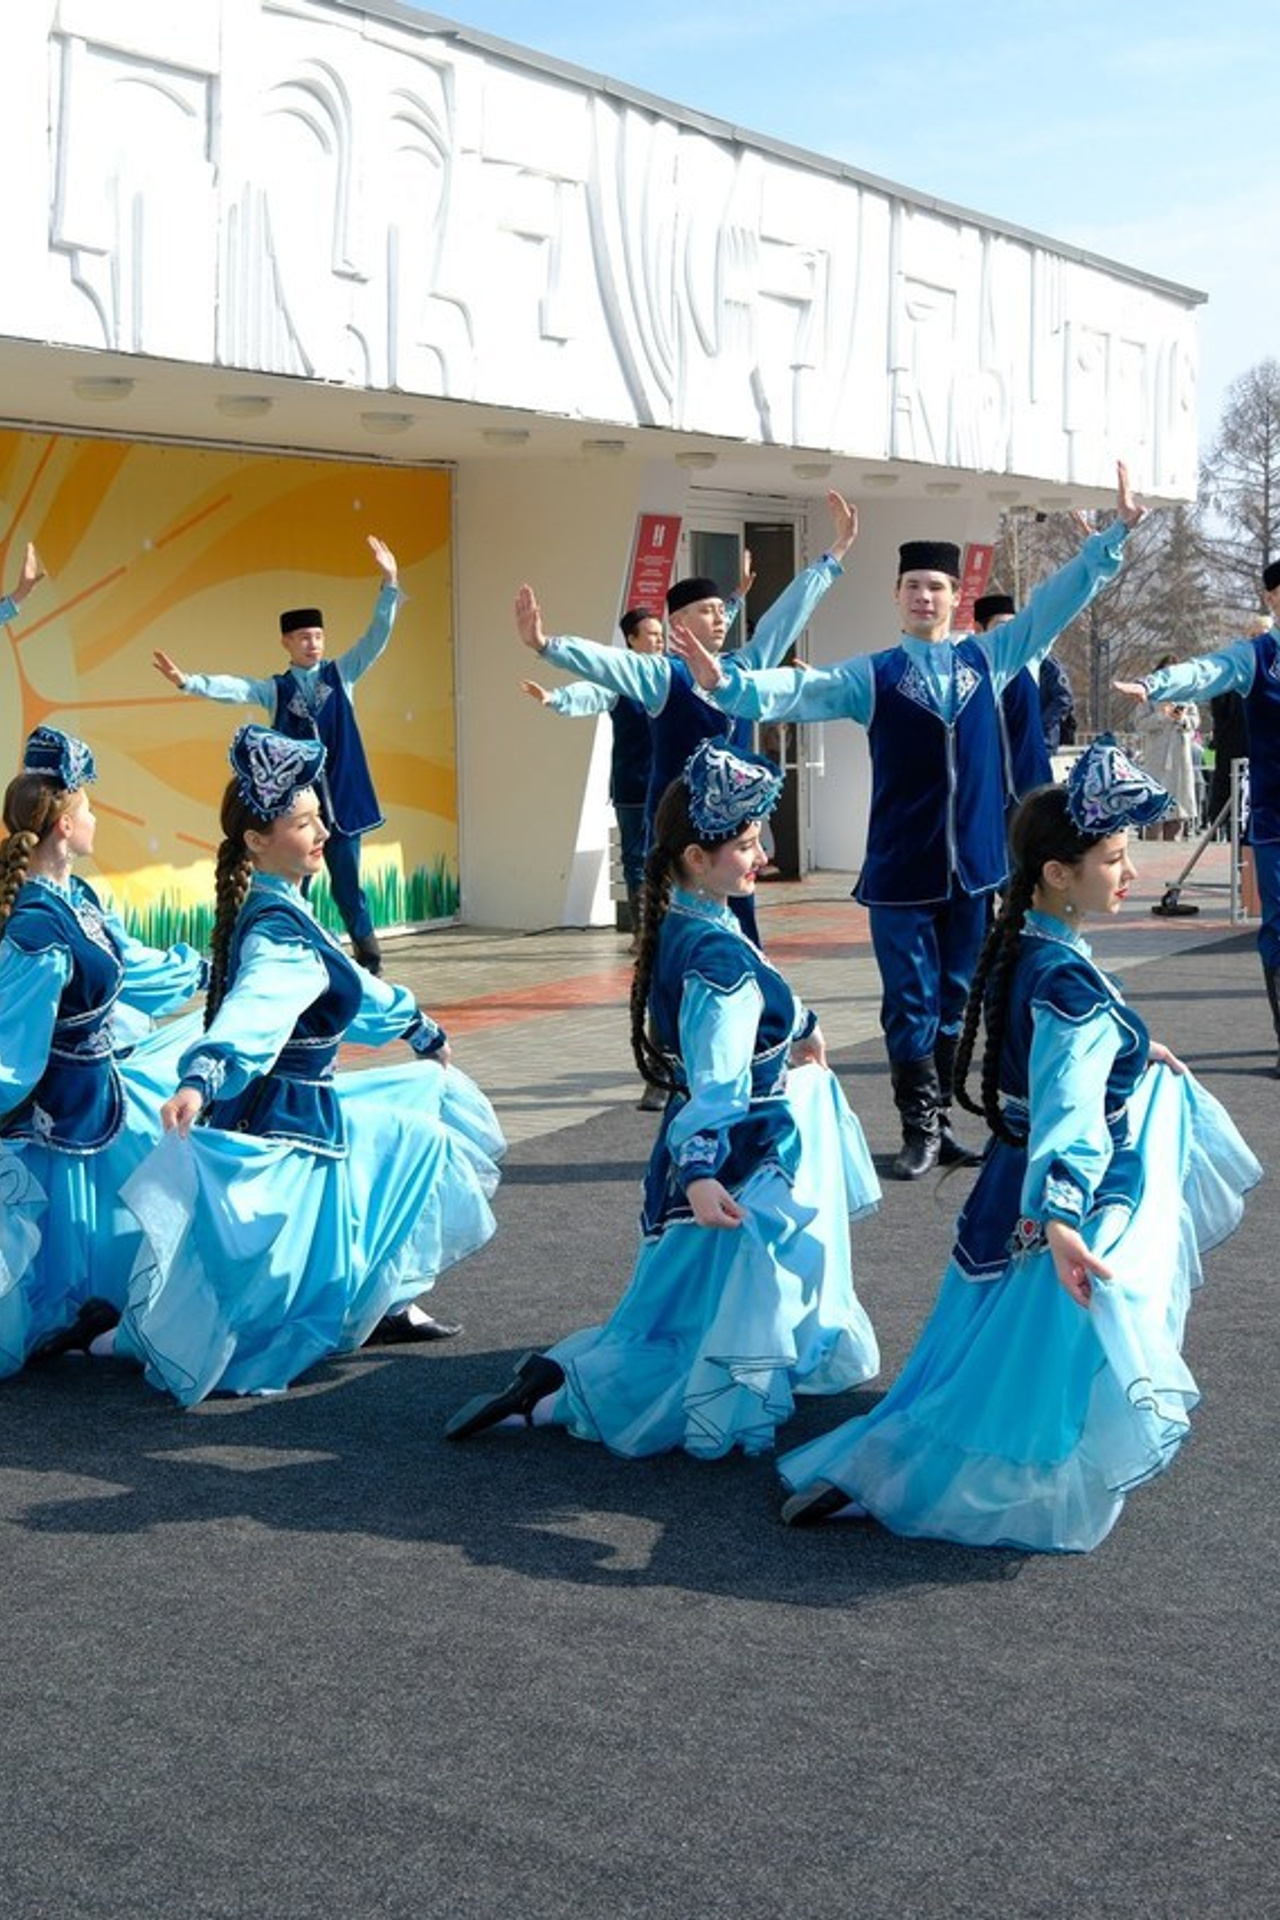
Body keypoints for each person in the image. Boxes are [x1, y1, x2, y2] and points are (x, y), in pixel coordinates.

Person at [776, 736, 1260, 1549]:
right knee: (1021, 1363)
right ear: (1057, 875)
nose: (1131, 872)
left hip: (1014, 1173)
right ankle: (914, 1476)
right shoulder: (1064, 978)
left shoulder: (1032, 947)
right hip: (1062, 1187)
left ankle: (890, 1464)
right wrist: (1066, 1218)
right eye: (1114, 858)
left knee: (991, 1344)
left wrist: (1140, 1053)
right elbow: (1068, 1103)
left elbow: (1058, 1069)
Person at [671, 461, 1147, 1181]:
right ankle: (917, 1126)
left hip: (977, 867)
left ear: (957, 600)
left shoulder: (989, 659)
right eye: (913, 586)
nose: (925, 596)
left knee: (960, 993)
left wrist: (1108, 541)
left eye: (937, 587)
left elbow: (1055, 604)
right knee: (909, 1000)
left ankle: (948, 1118)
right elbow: (801, 690)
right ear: (897, 597)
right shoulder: (874, 675)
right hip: (900, 868)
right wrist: (728, 682)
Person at [444, 739, 881, 1459]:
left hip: (706, 1152)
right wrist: (706, 1169)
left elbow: (749, 1017)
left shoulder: (691, 926)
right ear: (693, 858)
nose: (762, 855)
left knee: (677, 1308)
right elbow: (717, 1071)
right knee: (698, 1334)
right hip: (741, 1163)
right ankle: (559, 1398)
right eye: (744, 844)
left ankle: (555, 1377)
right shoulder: (716, 958)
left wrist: (802, 1027)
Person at [114, 725, 504, 1406]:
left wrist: (416, 1026)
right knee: (420, 1147)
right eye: (302, 822)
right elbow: (258, 1007)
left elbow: (351, 985)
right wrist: (203, 1075)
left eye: (318, 816)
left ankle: (384, 1303)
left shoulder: (286, 911)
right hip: (292, 1124)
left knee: (423, 1115)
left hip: (306, 1107)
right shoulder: (276, 932)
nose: (320, 830)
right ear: (258, 841)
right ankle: (358, 1309)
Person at [515, 492, 858, 945]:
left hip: (732, 825)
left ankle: (749, 996)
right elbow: (607, 663)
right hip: (679, 825)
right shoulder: (662, 675)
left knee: (741, 929)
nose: (719, 618)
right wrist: (547, 645)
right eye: (706, 611)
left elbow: (784, 619)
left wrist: (834, 555)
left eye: (721, 611)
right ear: (679, 622)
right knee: (679, 930)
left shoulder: (740, 669)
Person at [0, 726, 208, 1376]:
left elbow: (134, 968)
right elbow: (13, 1046)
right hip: (56, 1114)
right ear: (63, 825)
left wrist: (205, 969)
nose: (95, 818)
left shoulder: (79, 899)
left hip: (99, 1094)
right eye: (88, 807)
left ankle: (87, 1317)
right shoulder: (38, 928)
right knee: (57, 1246)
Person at [153, 534, 401, 974]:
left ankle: (369, 955)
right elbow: (234, 688)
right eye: (304, 637)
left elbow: (376, 637)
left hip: (342, 801)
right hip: (298, 809)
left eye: (319, 636)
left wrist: (390, 583)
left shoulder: (342, 674)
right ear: (286, 642)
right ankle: (295, 953)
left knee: (348, 886)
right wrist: (187, 681)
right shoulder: (276, 690)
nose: (314, 644)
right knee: (295, 885)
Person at [1115, 566, 1280, 1072]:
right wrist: (1157, 684)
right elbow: (1205, 672)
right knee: (1277, 927)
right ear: (1272, 599)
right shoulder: (1257, 657)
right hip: (1277, 819)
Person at [521, 604, 663, 949]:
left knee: (668, 857)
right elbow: (589, 692)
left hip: (666, 785)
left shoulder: (669, 675)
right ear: (631, 640)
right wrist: (555, 698)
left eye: (662, 635)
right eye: (652, 635)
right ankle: (642, 932)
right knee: (635, 858)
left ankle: (667, 929)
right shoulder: (617, 682)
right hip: (632, 785)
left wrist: (732, 603)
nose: (659, 641)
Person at [974, 591, 1053, 809]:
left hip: (1034, 783)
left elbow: (1053, 616)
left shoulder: (1030, 659)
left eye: (1013, 625)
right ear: (979, 630)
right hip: (992, 791)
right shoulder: (969, 670)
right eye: (1001, 626)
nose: (1010, 634)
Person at [1132, 653, 1199, 840]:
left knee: (1178, 807)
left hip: (1179, 756)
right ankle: (1153, 844)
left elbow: (1195, 720)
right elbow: (1140, 724)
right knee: (1156, 808)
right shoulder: (1149, 696)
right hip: (1157, 757)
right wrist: (1162, 716)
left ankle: (1175, 844)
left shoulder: (1186, 694)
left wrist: (1182, 719)